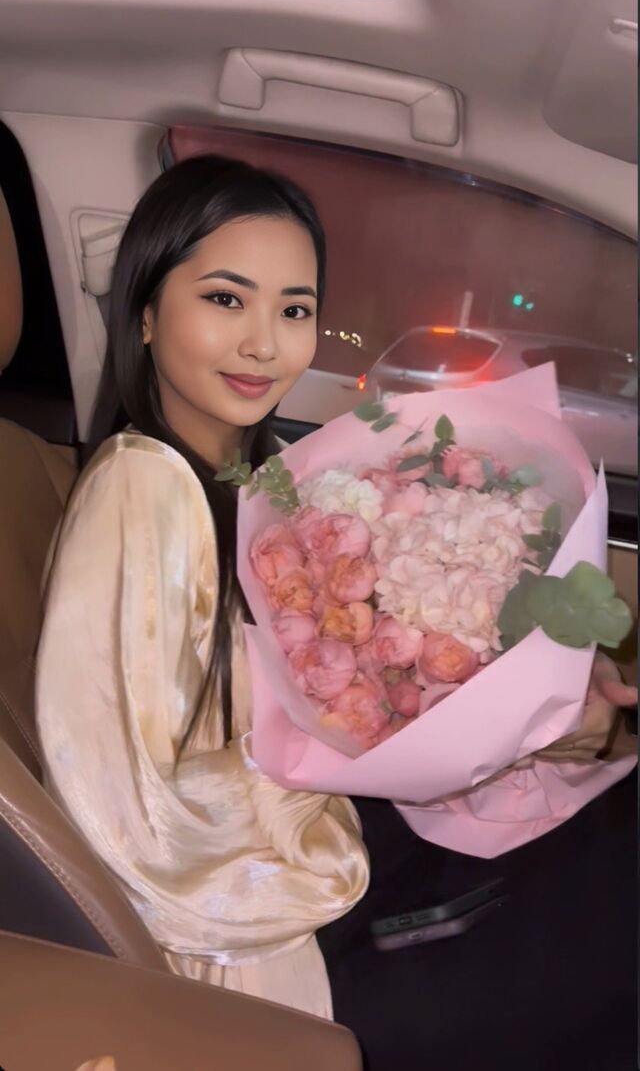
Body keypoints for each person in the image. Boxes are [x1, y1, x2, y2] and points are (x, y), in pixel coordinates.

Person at [36, 156, 637, 1069]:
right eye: (226, 300)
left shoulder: (262, 479)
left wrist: (495, 719)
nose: (263, 344)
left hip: (354, 854)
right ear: (146, 313)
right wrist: (381, 759)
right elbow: (139, 815)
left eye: (294, 310)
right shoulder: (139, 486)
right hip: (274, 940)